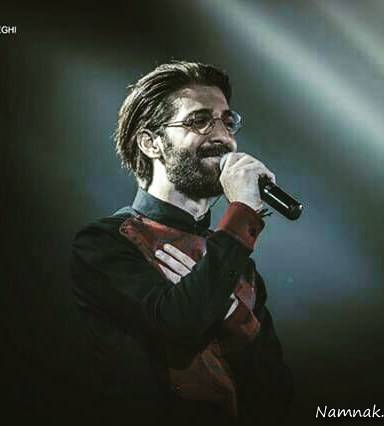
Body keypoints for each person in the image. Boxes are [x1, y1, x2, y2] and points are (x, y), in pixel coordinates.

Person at [71, 60, 293, 426]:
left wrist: (234, 316)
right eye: (199, 120)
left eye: (227, 122)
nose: (222, 136)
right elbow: (177, 324)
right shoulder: (104, 243)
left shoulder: (240, 265)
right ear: (151, 143)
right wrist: (241, 212)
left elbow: (277, 395)